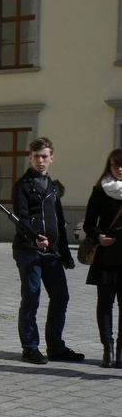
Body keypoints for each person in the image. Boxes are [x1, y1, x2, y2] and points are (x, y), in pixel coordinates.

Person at [12, 137, 84, 364]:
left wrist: (66, 255)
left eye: (44, 156)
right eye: (36, 157)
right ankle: (30, 348)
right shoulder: (22, 186)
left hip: (51, 253)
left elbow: (59, 221)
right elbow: (21, 219)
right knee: (31, 298)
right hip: (28, 251)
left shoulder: (52, 187)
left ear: (51, 158)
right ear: (30, 158)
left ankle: (55, 346)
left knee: (61, 297)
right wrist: (34, 239)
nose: (40, 161)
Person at [83, 149, 122, 368]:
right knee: (105, 304)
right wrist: (98, 236)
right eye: (115, 165)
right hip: (106, 255)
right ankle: (108, 349)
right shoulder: (100, 191)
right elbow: (89, 222)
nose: (119, 169)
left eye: (121, 165)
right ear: (109, 167)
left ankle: (121, 351)